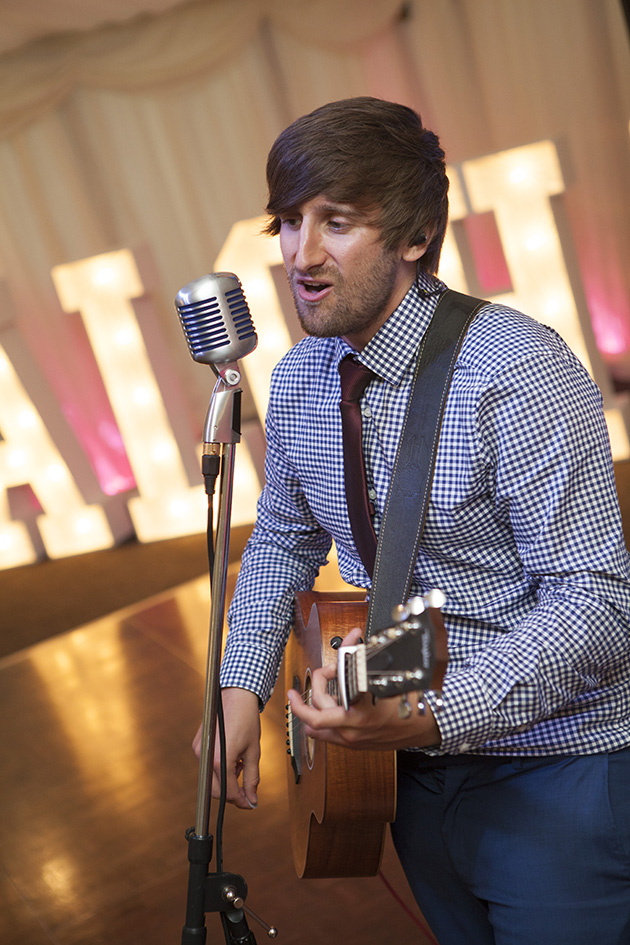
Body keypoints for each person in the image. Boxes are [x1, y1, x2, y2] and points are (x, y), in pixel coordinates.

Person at [193, 97, 630, 944]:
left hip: (560, 768)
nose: (301, 255)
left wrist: (431, 711)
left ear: (414, 237)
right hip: (405, 777)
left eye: (337, 222)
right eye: (286, 223)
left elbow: (600, 604)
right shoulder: (300, 381)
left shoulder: (516, 370)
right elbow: (283, 538)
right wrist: (238, 682)